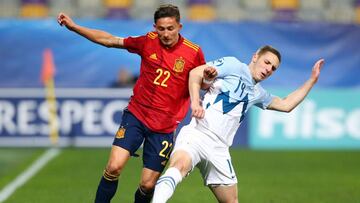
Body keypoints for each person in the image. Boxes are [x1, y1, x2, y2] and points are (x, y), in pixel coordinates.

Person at [57, 4, 215, 203]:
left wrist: (208, 79)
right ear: (155, 27)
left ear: (179, 27)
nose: (165, 34)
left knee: (147, 185)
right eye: (161, 29)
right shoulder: (147, 41)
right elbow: (110, 40)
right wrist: (75, 27)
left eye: (170, 28)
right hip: (137, 115)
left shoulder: (193, 52)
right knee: (113, 167)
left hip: (164, 127)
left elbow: (203, 83)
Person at [152, 45, 325, 203]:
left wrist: (312, 80)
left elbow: (286, 105)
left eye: (273, 68)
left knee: (231, 201)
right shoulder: (233, 65)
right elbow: (196, 73)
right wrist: (195, 103)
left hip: (220, 150)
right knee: (178, 166)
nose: (268, 69)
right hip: (198, 134)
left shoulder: (259, 93)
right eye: (267, 62)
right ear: (255, 56)